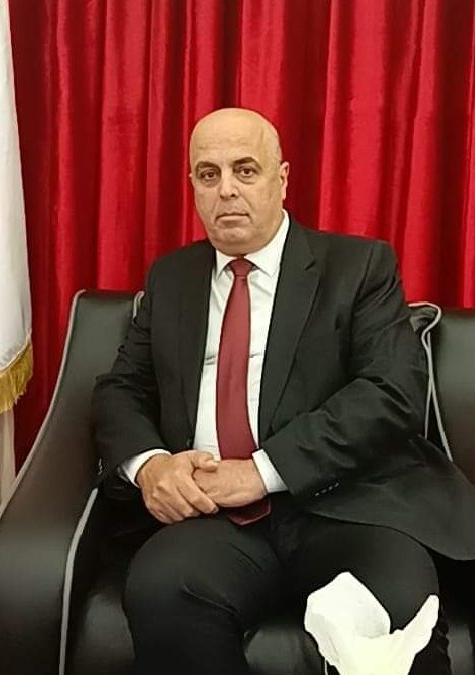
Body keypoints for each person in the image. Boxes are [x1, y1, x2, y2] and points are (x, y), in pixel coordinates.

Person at [92, 108, 475, 675]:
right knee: (162, 590)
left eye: (245, 170)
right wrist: (151, 466)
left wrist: (262, 470)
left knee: (394, 609)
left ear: (282, 178)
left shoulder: (358, 266)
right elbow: (121, 388)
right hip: (211, 521)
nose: (226, 190)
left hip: (348, 507)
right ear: (192, 186)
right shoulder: (172, 278)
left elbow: (390, 392)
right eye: (208, 174)